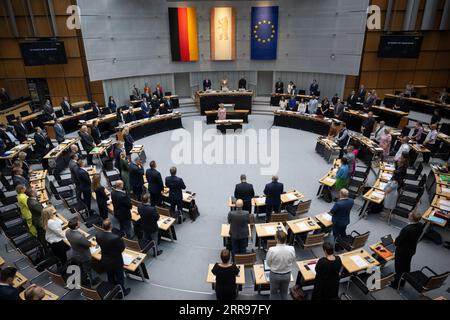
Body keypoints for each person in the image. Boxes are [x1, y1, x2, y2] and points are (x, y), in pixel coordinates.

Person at [96, 219, 131, 297]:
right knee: (120, 278)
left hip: (105, 259)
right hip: (116, 261)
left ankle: (112, 291)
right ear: (111, 226)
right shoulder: (115, 238)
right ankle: (122, 293)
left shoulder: (98, 235)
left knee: (110, 276)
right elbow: (121, 249)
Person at [392, 211, 423, 289]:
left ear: (412, 218)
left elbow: (398, 242)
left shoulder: (406, 229)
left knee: (399, 268)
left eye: (410, 215)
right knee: (406, 266)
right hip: (411, 249)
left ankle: (396, 284)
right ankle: (403, 280)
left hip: (402, 251)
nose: (408, 214)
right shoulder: (420, 225)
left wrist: (395, 242)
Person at [266, 231, 296, 300]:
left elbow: (268, 263)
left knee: (273, 293)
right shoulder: (292, 248)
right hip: (287, 275)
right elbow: (293, 260)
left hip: (275, 275)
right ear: (286, 239)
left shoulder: (271, 250)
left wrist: (275, 266)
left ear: (276, 239)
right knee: (284, 293)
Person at [66, 217, 94, 285]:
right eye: (78, 223)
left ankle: (83, 276)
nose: (79, 223)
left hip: (75, 253)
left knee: (81, 267)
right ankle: (90, 282)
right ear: (76, 226)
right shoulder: (79, 237)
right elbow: (88, 244)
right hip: (84, 255)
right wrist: (84, 236)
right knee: (88, 269)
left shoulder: (67, 232)